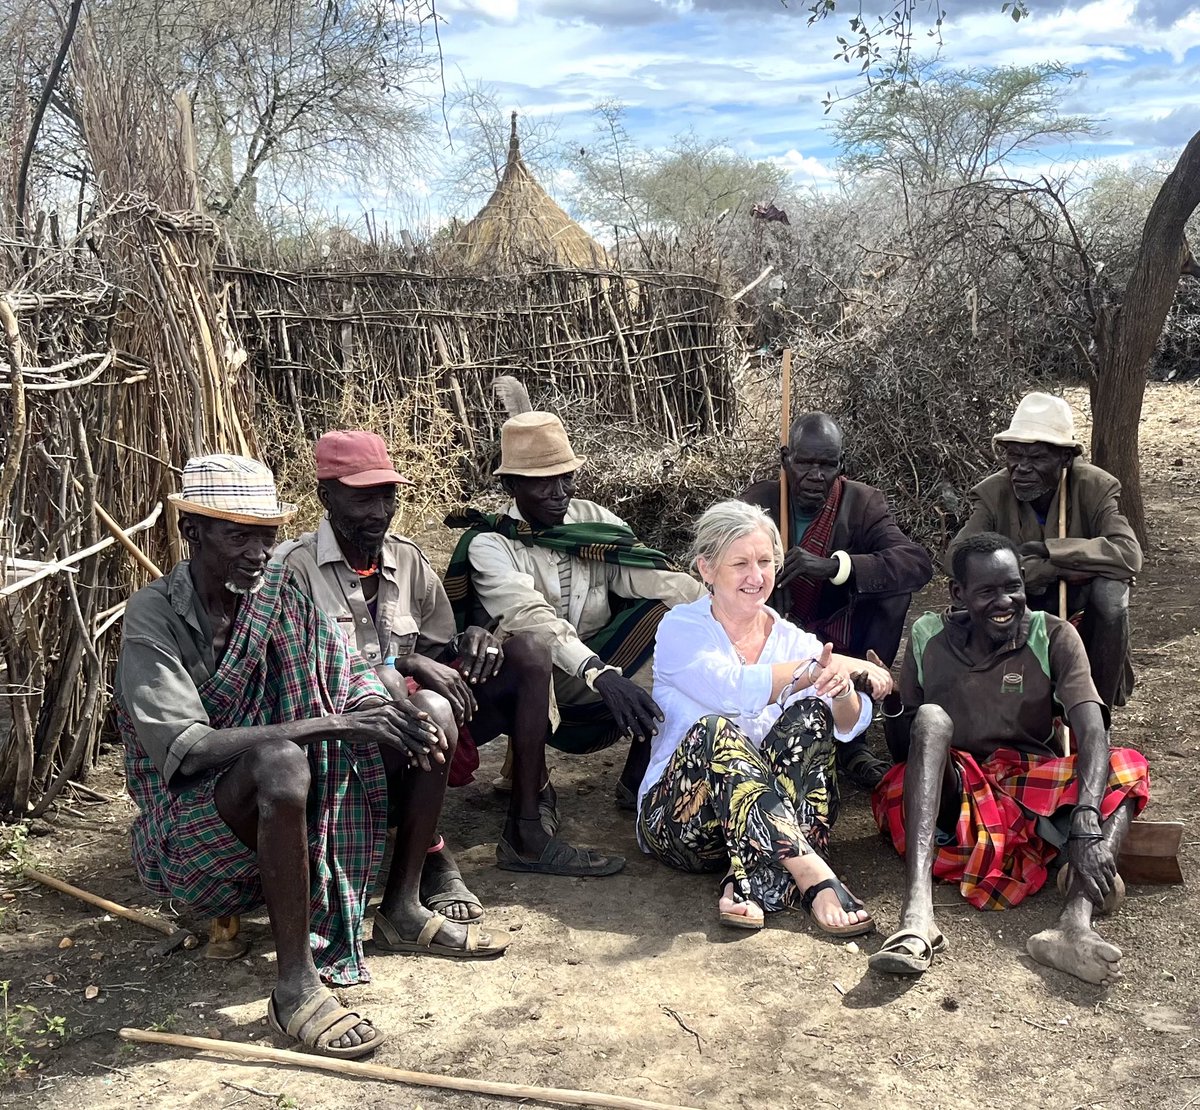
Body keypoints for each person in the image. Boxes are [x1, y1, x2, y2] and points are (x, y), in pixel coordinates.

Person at [116, 456, 508, 1061]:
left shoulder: (280, 588)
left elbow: (343, 671)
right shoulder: (155, 615)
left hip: (289, 792)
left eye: (266, 536)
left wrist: (389, 708)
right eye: (236, 535)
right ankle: (296, 987)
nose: (256, 552)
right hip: (193, 822)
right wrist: (333, 723)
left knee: (431, 714)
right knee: (281, 760)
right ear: (190, 531)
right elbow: (188, 751)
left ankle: (402, 905)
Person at [276, 430, 619, 882]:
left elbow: (437, 645)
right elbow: (302, 683)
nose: (379, 514)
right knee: (405, 692)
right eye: (362, 500)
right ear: (325, 497)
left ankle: (527, 830)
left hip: (422, 719)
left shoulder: (406, 558)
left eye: (387, 498)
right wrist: (403, 664)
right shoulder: (292, 570)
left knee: (529, 652)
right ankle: (428, 857)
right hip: (346, 735)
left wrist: (470, 641)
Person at [868, 532, 1150, 983]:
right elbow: (908, 749)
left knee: (1126, 764)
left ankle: (1074, 924)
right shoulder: (928, 635)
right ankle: (917, 916)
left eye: (1013, 587)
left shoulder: (1054, 635)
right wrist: (892, 701)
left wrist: (1086, 821)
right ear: (958, 594)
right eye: (987, 591)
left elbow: (1092, 730)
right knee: (932, 719)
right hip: (950, 792)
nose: (1005, 601)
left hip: (1024, 782)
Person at [637, 500, 893, 934]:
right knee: (715, 730)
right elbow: (732, 688)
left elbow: (850, 724)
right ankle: (811, 875)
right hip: (686, 822)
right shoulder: (681, 628)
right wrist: (814, 670)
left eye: (765, 562)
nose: (756, 577)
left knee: (813, 713)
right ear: (706, 569)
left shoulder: (790, 638)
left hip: (767, 829)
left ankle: (749, 878)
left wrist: (843, 685)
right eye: (740, 564)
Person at [443, 410, 704, 823]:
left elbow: (654, 580)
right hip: (535, 680)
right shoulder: (490, 546)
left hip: (595, 662)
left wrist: (723, 610)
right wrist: (600, 674)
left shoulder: (593, 524)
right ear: (511, 485)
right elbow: (532, 616)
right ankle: (534, 794)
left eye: (566, 477)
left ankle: (639, 778)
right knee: (525, 647)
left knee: (680, 625)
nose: (559, 491)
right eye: (543, 480)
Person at [742, 411, 933, 789]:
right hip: (777, 633)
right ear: (786, 460)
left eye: (826, 465)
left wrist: (833, 567)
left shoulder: (862, 504)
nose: (815, 476)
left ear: (840, 465)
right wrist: (761, 588)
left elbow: (916, 563)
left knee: (894, 593)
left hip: (841, 630)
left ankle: (853, 739)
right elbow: (722, 565)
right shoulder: (758, 502)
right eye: (805, 463)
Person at [953, 392, 1142, 708]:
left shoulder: (1096, 487)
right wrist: (1052, 568)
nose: (1021, 469)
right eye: (1015, 455)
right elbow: (957, 556)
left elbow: (1128, 554)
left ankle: (1097, 711)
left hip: (1080, 606)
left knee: (1111, 593)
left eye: (1037, 458)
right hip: (1018, 598)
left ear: (1065, 459)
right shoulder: (993, 492)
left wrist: (1049, 550)